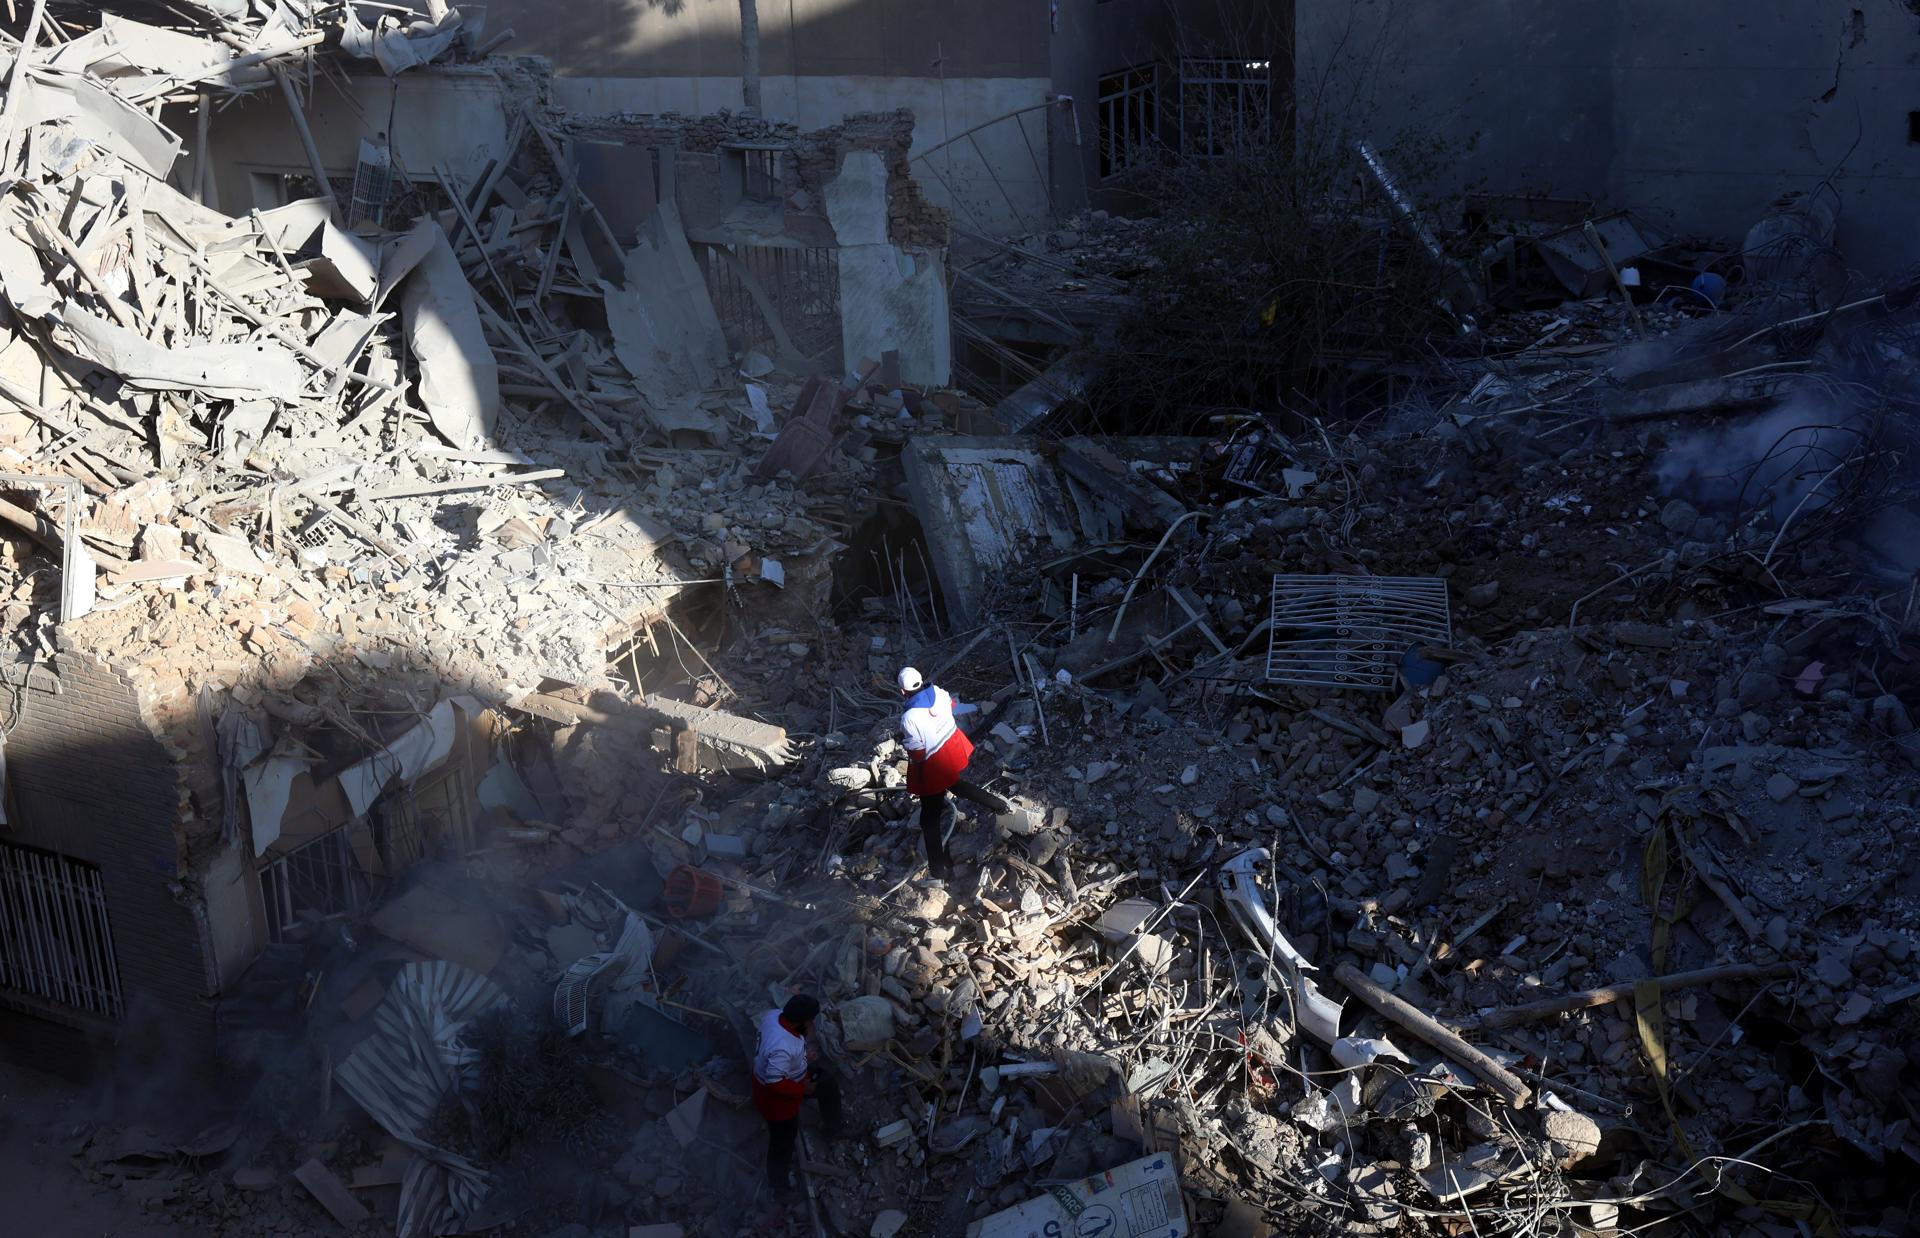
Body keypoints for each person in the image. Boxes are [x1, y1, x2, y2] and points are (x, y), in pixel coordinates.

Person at [751, 994, 843, 1201]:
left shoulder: (774, 1016)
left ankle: (833, 1129)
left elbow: (782, 1052)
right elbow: (774, 1081)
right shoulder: (781, 1047)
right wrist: (803, 1089)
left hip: (792, 1076)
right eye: (810, 1020)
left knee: (827, 1084)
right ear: (801, 1021)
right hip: (775, 1100)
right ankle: (778, 1187)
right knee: (782, 1141)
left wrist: (803, 1057)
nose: (812, 1025)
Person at [897, 665, 978, 881]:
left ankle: (938, 872)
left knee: (928, 820)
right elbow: (952, 706)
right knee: (954, 783)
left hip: (935, 761)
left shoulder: (909, 717)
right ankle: (998, 804)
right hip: (953, 746)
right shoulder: (939, 692)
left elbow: (917, 752)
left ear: (902, 692)